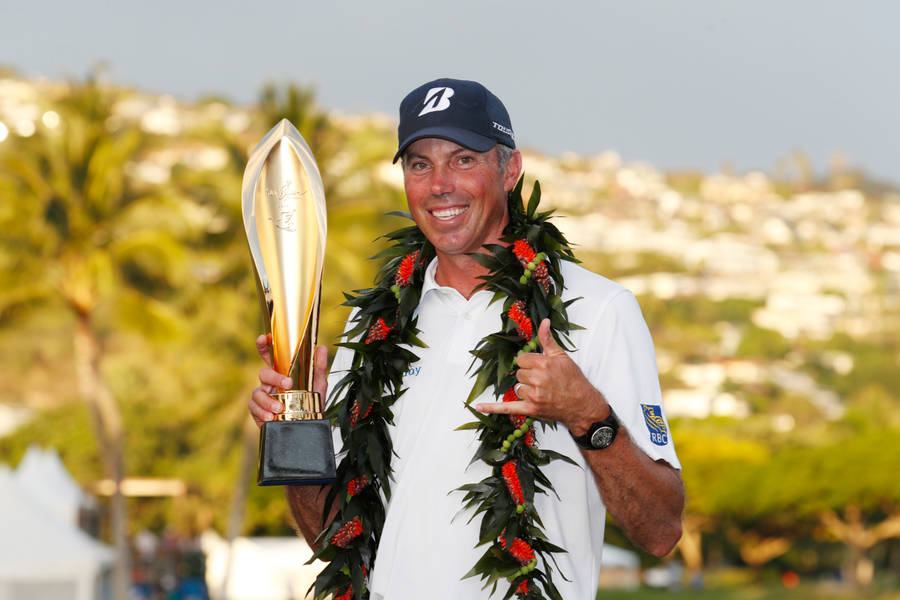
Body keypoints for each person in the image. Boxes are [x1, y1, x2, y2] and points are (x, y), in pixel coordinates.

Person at [249, 77, 684, 599]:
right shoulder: (374, 327)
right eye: (419, 164)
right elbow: (331, 537)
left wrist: (586, 413)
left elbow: (660, 530)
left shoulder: (601, 310)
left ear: (510, 169)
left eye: (463, 159)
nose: (439, 185)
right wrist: (301, 425)